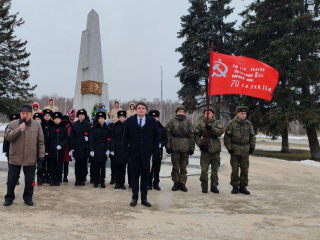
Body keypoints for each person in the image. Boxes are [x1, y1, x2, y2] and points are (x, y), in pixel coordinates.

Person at [4, 105, 45, 207]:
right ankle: (9, 197)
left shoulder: (37, 125)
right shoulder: (13, 124)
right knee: (12, 179)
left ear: (31, 114)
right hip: (15, 157)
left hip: (30, 157)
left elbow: (40, 142)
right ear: (20, 114)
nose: (25, 115)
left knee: (29, 180)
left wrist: (41, 156)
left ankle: (28, 198)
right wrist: (19, 129)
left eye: (27, 114)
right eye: (23, 113)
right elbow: (8, 137)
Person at [123, 102, 160, 207]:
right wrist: (125, 152)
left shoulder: (151, 121)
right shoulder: (130, 121)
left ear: (146, 110)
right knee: (134, 177)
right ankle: (134, 198)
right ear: (136, 110)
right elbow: (125, 137)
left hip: (146, 154)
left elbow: (157, 136)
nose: (141, 110)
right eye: (139, 108)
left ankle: (144, 199)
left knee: (145, 177)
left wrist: (154, 149)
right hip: (134, 153)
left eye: (143, 108)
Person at [224, 106, 256, 195]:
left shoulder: (248, 124)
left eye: (245, 114)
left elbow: (252, 136)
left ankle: (243, 186)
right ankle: (235, 186)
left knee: (245, 170)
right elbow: (227, 137)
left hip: (245, 150)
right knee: (235, 170)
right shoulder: (232, 124)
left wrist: (252, 147)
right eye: (241, 113)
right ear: (237, 114)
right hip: (235, 150)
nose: (243, 115)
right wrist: (229, 148)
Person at [166, 105, 195, 192]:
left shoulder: (189, 122)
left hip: (185, 148)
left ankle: (182, 183)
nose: (181, 113)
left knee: (183, 167)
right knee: (175, 166)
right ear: (176, 112)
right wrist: (168, 146)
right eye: (179, 111)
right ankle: (176, 183)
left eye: (182, 111)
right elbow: (167, 135)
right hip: (175, 147)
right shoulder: (171, 121)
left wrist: (191, 148)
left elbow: (192, 136)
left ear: (185, 113)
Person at [195, 107, 224, 193]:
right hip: (205, 148)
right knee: (204, 170)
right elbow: (196, 135)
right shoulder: (200, 123)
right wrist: (200, 145)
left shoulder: (217, 123)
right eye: (206, 113)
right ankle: (204, 186)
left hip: (215, 148)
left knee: (215, 170)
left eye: (209, 113)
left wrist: (211, 128)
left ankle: (214, 186)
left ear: (213, 114)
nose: (207, 114)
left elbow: (220, 131)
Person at [89, 111, 111, 188]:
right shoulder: (94, 128)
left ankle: (102, 181)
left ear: (104, 119)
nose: (101, 120)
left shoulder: (108, 129)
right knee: (96, 166)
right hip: (96, 149)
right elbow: (91, 140)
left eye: (102, 118)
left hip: (103, 149)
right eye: (99, 118)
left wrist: (108, 149)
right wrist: (91, 150)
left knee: (103, 166)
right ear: (97, 119)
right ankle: (96, 181)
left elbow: (109, 140)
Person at [69, 109, 91, 186]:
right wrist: (71, 148)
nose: (81, 116)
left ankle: (82, 179)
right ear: (78, 116)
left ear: (85, 116)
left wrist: (87, 138)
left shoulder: (88, 125)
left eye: (83, 115)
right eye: (80, 115)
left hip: (84, 147)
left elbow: (90, 136)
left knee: (83, 164)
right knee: (77, 164)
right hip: (77, 147)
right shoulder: (74, 124)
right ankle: (77, 179)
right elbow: (71, 137)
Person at [148, 110, 167, 191]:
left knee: (157, 168)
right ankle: (148, 183)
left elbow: (165, 139)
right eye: (152, 117)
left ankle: (156, 183)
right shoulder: (146, 127)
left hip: (158, 151)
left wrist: (160, 144)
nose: (154, 119)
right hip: (148, 150)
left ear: (158, 118)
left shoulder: (162, 128)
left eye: (156, 117)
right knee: (149, 168)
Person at [48, 112, 69, 186]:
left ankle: (58, 179)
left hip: (60, 150)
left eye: (58, 119)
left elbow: (66, 139)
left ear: (60, 120)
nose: (56, 120)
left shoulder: (64, 128)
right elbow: (48, 139)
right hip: (52, 149)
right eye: (55, 119)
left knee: (59, 166)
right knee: (52, 166)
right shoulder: (50, 128)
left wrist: (61, 145)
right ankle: (52, 179)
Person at [110, 111, 128, 190]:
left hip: (124, 147)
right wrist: (112, 149)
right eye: (120, 117)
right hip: (117, 148)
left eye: (123, 117)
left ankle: (122, 183)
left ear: (125, 117)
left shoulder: (127, 125)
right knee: (117, 167)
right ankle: (117, 183)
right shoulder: (115, 126)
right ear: (118, 117)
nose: (121, 118)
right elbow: (112, 138)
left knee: (123, 167)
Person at [2, 113, 20, 185]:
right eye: (12, 120)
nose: (14, 121)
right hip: (10, 150)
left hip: (18, 150)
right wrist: (5, 150)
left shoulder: (21, 128)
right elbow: (6, 140)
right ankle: (10, 180)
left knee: (17, 166)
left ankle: (17, 179)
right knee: (10, 167)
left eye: (15, 119)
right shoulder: (8, 127)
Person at [42, 109, 54, 184]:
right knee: (42, 162)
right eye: (46, 115)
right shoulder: (41, 124)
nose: (47, 117)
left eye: (48, 115)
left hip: (50, 146)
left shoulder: (53, 124)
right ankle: (42, 176)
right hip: (42, 146)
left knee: (50, 163)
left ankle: (49, 176)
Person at [33, 112, 45, 186]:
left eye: (39, 119)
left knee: (40, 166)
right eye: (36, 119)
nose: (37, 120)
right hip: (32, 150)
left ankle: (40, 179)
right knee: (32, 167)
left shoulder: (44, 128)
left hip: (41, 149)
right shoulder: (31, 127)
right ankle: (32, 179)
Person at [61, 115, 72, 182]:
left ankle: (65, 176)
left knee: (66, 163)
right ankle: (59, 175)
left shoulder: (71, 126)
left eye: (66, 119)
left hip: (67, 147)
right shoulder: (61, 126)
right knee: (60, 163)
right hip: (61, 146)